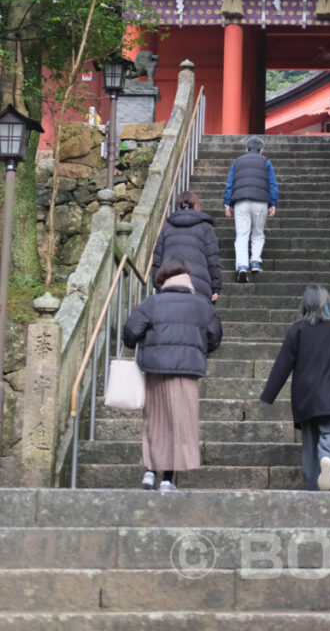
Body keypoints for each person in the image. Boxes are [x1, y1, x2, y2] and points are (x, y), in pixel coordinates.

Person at [123, 257, 222, 491]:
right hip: (187, 371)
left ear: (162, 280)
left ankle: (149, 472)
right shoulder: (202, 304)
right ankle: (168, 479)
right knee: (180, 422)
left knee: (155, 421)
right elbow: (215, 337)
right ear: (187, 279)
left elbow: (130, 333)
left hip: (155, 369)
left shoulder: (152, 302)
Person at [260, 284, 330, 491]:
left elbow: (282, 364)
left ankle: (313, 484)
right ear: (327, 303)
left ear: (305, 305)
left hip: (305, 395)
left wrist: (268, 395)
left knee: (309, 441)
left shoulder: (298, 330)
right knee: (329, 432)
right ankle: (327, 456)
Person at [224, 135, 279, 282]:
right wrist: (273, 203)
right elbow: (272, 184)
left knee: (242, 235)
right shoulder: (266, 162)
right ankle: (255, 262)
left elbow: (230, 183)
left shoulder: (237, 162)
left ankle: (242, 266)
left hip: (241, 201)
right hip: (261, 201)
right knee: (258, 233)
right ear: (261, 150)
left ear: (246, 149)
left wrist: (227, 203)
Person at [152, 190, 221, 301]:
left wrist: (157, 284)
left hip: (170, 283)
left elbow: (157, 258)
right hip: (199, 285)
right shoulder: (205, 227)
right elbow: (212, 258)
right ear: (196, 205)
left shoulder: (167, 227)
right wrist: (216, 286)